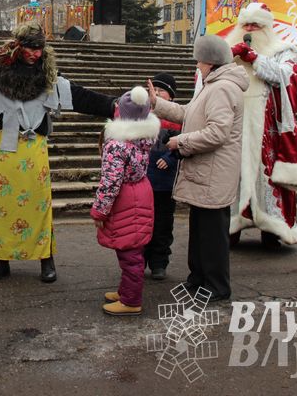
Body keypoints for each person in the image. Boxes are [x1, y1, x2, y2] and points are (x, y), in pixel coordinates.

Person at [0, 20, 116, 283]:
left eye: (39, 48)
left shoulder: (48, 75)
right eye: (29, 48)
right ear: (18, 46)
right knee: (0, 206)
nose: (34, 54)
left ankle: (45, 258)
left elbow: (81, 97)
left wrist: (113, 105)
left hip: (32, 151)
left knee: (38, 206)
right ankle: (1, 259)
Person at [148, 35, 248, 302]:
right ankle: (198, 279)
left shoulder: (223, 88)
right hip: (205, 172)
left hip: (213, 173)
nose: (197, 66)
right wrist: (157, 104)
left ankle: (216, 286)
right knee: (200, 230)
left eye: (199, 61)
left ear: (210, 61)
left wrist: (179, 142)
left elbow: (217, 133)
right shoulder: (211, 85)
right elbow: (188, 113)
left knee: (212, 234)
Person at [225, 2, 297, 249]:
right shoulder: (226, 50)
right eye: (246, 24)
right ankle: (231, 227)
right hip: (233, 128)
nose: (250, 29)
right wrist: (227, 57)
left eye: (256, 25)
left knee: (267, 181)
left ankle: (272, 230)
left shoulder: (281, 51)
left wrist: (255, 59)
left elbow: (288, 76)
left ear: (267, 27)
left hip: (268, 132)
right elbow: (206, 75)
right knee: (233, 177)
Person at [92, 86, 160, 316]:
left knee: (130, 255)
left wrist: (99, 211)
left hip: (125, 198)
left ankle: (131, 301)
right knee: (132, 249)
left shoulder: (117, 144)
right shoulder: (144, 138)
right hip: (140, 191)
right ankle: (126, 291)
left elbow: (110, 182)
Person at [144, 72, 182, 280]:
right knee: (142, 223)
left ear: (171, 98)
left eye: (161, 92)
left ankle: (159, 262)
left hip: (166, 184)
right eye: (154, 91)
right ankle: (140, 259)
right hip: (144, 180)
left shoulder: (177, 120)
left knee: (162, 225)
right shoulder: (143, 116)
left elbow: (183, 144)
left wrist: (170, 157)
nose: (156, 94)